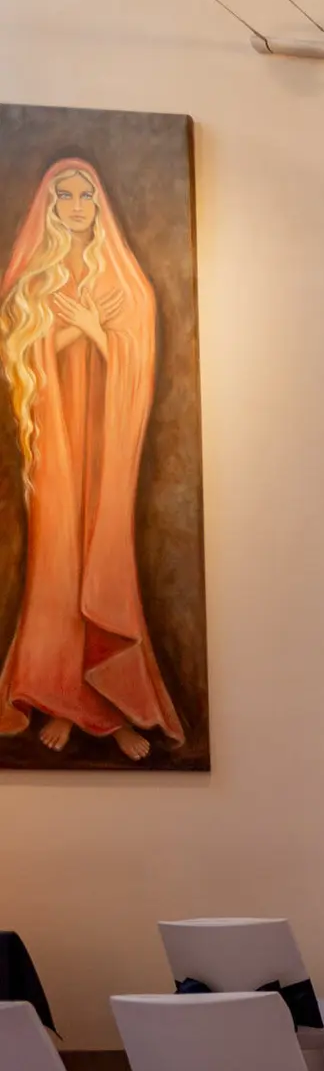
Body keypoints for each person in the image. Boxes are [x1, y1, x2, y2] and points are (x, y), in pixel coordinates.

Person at [0, 158, 182, 761]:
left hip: (105, 442)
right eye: (66, 197)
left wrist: (95, 331)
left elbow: (136, 353)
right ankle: (61, 701)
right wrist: (77, 329)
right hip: (58, 442)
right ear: (50, 206)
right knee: (57, 565)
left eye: (86, 197)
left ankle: (112, 709)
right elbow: (21, 347)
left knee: (101, 560)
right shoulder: (37, 274)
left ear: (98, 204)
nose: (77, 207)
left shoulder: (121, 275)